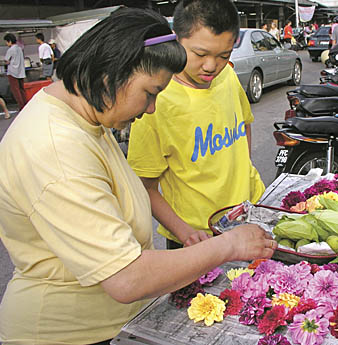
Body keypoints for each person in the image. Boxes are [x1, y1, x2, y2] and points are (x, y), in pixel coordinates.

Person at [0, 8, 276, 344]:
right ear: (111, 74)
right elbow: (126, 278)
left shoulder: (88, 118)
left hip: (115, 324)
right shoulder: (56, 149)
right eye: (150, 93)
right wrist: (228, 244)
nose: (150, 110)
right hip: (69, 334)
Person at [127, 0, 267, 250]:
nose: (211, 66)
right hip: (195, 238)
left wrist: (243, 172)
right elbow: (144, 186)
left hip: (247, 215)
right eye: (200, 54)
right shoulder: (156, 102)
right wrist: (186, 233)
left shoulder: (228, 76)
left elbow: (244, 125)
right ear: (177, 40)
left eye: (224, 55)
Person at [2, 33, 27, 111]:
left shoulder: (11, 50)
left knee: (16, 90)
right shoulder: (19, 48)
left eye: (6, 42)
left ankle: (21, 106)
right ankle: (25, 104)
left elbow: (6, 60)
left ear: (9, 41)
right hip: (21, 72)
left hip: (13, 72)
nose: (6, 44)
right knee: (21, 89)